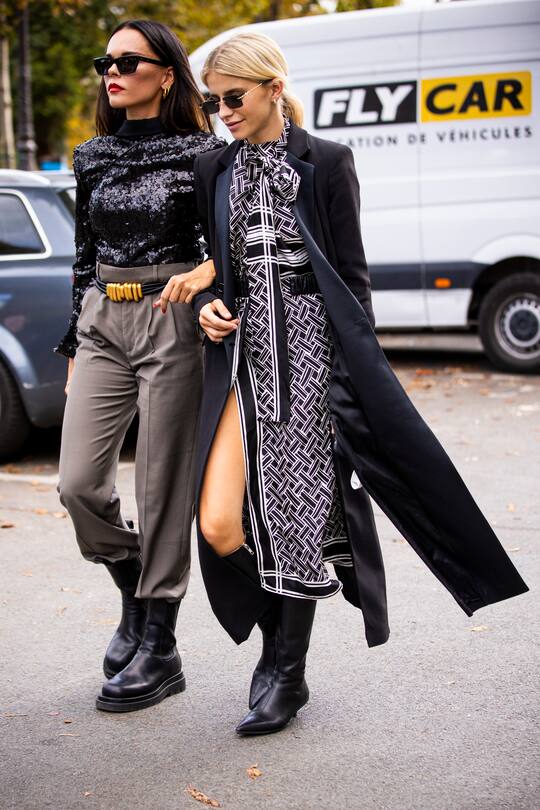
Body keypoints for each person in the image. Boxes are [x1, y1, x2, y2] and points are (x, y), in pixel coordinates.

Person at [192, 32, 528, 736]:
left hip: (316, 359)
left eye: (233, 97)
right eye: (212, 99)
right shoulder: (211, 168)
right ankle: (271, 637)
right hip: (243, 361)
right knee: (220, 521)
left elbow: (353, 275)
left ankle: (287, 669)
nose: (221, 110)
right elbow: (215, 269)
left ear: (272, 89)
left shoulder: (327, 163)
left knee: (298, 516)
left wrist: (360, 379)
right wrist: (207, 306)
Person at [55, 19, 223, 713]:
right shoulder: (91, 155)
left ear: (166, 73)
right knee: (78, 485)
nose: (112, 72)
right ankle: (131, 580)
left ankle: (159, 639)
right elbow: (84, 253)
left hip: (170, 314)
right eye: (106, 61)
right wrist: (73, 342)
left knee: (161, 488)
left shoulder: (204, 154)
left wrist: (210, 280)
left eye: (129, 61)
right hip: (103, 316)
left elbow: (231, 245)